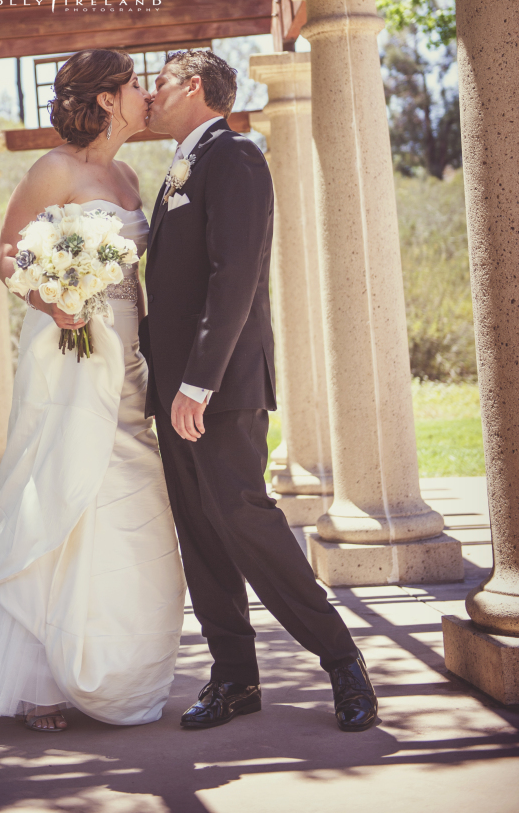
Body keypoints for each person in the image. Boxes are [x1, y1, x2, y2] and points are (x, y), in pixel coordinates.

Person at [0, 49, 185, 733]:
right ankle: (39, 681)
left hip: (128, 361)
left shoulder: (127, 172)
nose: (143, 94)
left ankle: (110, 663)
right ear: (104, 99)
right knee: (61, 485)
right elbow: (6, 252)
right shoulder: (54, 168)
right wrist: (53, 296)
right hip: (68, 349)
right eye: (131, 85)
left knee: (128, 496)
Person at [142, 48, 378, 733]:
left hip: (217, 389)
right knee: (203, 536)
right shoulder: (179, 168)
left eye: (158, 84)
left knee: (248, 525)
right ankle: (235, 680)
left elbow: (235, 275)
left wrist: (197, 384)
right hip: (173, 391)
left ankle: (342, 660)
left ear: (192, 88)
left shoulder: (236, 156)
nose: (150, 97)